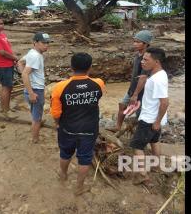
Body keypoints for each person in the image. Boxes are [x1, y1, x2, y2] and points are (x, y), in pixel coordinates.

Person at [50, 53, 106, 196]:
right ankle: (79, 187)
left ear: (71, 67)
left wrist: (58, 124)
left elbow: (56, 113)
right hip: (89, 129)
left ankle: (63, 174)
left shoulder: (60, 87)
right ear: (90, 67)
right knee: (85, 158)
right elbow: (98, 97)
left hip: (68, 129)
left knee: (65, 153)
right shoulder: (99, 83)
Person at [130, 48, 169, 185]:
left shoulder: (157, 80)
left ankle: (143, 176)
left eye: (146, 59)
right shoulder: (159, 74)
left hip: (149, 119)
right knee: (154, 141)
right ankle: (156, 165)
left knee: (137, 146)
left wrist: (157, 122)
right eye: (143, 59)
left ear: (156, 61)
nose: (142, 62)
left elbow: (165, 102)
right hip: (154, 117)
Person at [107, 29, 153, 133]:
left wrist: (136, 94)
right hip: (132, 88)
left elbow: (143, 78)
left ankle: (142, 136)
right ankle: (118, 127)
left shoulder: (147, 58)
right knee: (122, 105)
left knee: (141, 113)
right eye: (134, 41)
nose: (135, 44)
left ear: (146, 44)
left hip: (142, 91)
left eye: (138, 42)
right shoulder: (138, 55)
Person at [19, 32, 50, 143]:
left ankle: (35, 134)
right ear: (35, 42)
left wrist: (28, 84)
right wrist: (31, 92)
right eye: (43, 43)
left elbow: (20, 62)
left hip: (32, 89)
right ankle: (35, 139)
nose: (46, 45)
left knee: (35, 114)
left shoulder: (31, 53)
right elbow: (24, 74)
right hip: (36, 91)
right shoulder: (36, 56)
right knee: (37, 118)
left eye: (48, 43)